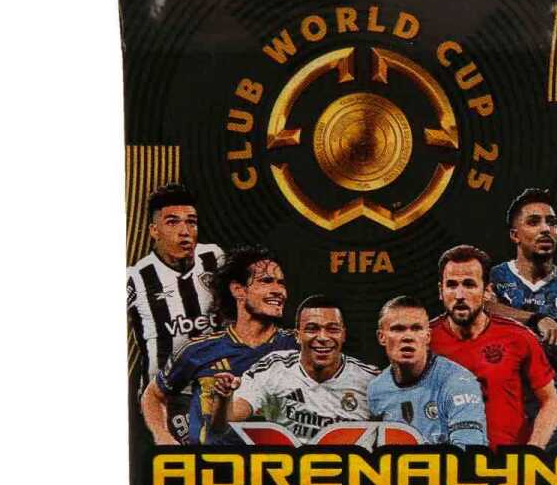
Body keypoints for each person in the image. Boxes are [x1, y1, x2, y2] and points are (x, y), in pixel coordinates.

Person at [141, 246, 296, 444]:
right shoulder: (199, 350)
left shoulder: (299, 347)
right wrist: (163, 436)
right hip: (213, 462)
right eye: (266, 281)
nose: (279, 291)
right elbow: (153, 394)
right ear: (238, 290)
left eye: (281, 283)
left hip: (277, 461)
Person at [430, 245, 557, 449]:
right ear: (441, 291)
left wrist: (533, 450)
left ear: (487, 291)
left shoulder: (519, 337)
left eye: (469, 285)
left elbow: (551, 401)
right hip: (447, 460)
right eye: (452, 285)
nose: (459, 295)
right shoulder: (424, 340)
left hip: (506, 461)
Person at [207, 296, 378, 443]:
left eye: (332, 329)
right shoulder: (274, 368)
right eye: (312, 329)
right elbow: (224, 424)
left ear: (343, 335)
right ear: (297, 335)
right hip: (291, 470)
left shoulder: (369, 380)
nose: (323, 337)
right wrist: (224, 398)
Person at [126, 184, 224, 440]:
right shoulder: (136, 279)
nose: (185, 231)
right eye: (172, 222)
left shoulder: (214, 258)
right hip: (167, 398)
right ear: (153, 230)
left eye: (191, 222)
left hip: (217, 391)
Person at [489, 188, 557, 446]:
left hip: (552, 409)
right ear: (515, 235)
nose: (545, 229)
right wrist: (537, 319)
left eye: (551, 223)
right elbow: (484, 308)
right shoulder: (495, 277)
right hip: (503, 405)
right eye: (533, 222)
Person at [367, 295, 487, 448]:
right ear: (381, 337)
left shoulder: (458, 382)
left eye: (416, 329)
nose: (408, 337)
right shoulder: (376, 389)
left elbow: (469, 452)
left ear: (428, 336)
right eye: (398, 329)